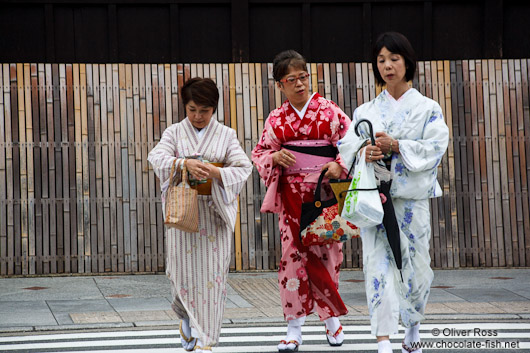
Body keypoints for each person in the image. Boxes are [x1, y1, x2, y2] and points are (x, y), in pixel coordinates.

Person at [338, 32, 449, 353]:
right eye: (381, 60)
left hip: (411, 201)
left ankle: (413, 324)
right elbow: (348, 149)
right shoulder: (365, 111)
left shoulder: (428, 108)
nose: (387, 66)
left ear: (407, 63)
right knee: (377, 265)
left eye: (394, 59)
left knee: (416, 263)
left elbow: (435, 147)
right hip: (376, 200)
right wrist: (365, 152)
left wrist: (397, 145)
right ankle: (383, 338)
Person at [252, 50, 353, 353]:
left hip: (324, 193)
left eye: (303, 77)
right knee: (292, 260)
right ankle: (293, 329)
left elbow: (351, 143)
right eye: (291, 79)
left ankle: (331, 319)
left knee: (327, 255)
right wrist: (274, 156)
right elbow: (260, 153)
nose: (299, 84)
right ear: (280, 85)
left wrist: (339, 163)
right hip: (291, 198)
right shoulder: (276, 119)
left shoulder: (330, 111)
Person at [148, 77, 252, 353]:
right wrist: (183, 163)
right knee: (179, 275)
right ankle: (185, 319)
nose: (197, 116)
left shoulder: (227, 135)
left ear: (213, 109)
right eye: (192, 109)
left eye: (204, 111)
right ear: (186, 106)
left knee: (212, 279)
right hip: (184, 215)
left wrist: (216, 172)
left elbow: (244, 167)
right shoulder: (173, 132)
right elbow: (156, 158)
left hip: (213, 214)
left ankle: (205, 340)